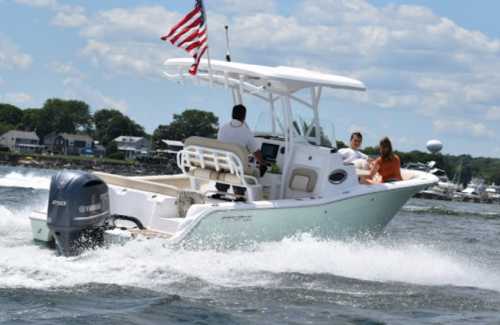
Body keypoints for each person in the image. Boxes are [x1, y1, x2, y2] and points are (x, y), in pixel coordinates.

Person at [215, 104, 264, 198]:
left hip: (222, 166)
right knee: (248, 170)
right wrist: (263, 163)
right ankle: (239, 194)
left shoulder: (223, 128)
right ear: (244, 116)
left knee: (228, 165)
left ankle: (221, 192)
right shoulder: (246, 131)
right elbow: (256, 152)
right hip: (237, 170)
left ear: (232, 114)